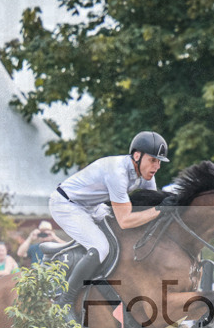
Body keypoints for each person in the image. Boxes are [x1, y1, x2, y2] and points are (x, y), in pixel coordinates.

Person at [49, 130, 168, 309]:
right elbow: (125, 221)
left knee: (120, 237)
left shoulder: (146, 175)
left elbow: (152, 205)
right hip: (66, 204)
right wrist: (159, 210)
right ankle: (64, 301)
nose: (157, 166)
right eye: (153, 160)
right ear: (137, 156)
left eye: (159, 161)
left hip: (93, 206)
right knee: (101, 247)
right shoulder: (117, 172)